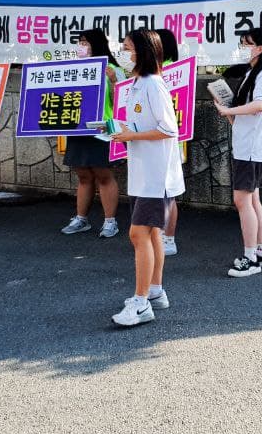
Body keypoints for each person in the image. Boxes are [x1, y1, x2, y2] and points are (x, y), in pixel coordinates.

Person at [109, 28, 184, 327]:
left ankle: (141, 304)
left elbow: (169, 129)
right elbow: (141, 124)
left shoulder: (153, 84)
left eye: (127, 48)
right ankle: (154, 292)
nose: (123, 53)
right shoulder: (137, 83)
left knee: (138, 234)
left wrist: (131, 135)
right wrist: (120, 131)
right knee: (151, 234)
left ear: (143, 52)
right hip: (143, 174)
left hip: (156, 176)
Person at [215, 27, 262, 277]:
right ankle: (260, 252)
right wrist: (229, 112)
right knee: (252, 200)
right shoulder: (254, 72)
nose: (242, 48)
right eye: (241, 43)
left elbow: (260, 104)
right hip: (249, 146)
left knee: (242, 201)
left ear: (260, 48)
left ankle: (250, 258)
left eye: (246, 44)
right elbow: (250, 111)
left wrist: (229, 111)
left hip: (251, 149)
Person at [60, 28, 125, 238]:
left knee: (103, 174)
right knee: (83, 174)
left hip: (102, 129)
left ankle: (110, 221)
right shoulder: (75, 68)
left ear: (96, 44)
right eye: (79, 42)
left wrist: (114, 81)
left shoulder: (113, 69)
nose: (81, 46)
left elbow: (122, 102)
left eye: (85, 42)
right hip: (78, 127)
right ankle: (81, 218)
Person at [156, 27, 182, 257]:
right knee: (160, 193)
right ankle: (160, 236)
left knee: (168, 193)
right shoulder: (152, 72)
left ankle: (169, 238)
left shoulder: (174, 70)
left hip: (168, 141)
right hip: (153, 141)